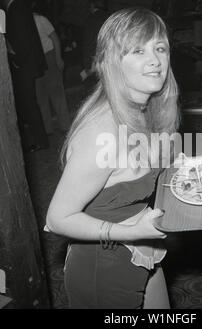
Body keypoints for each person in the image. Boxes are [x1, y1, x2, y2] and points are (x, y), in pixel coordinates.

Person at [46, 7, 180, 309]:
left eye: (160, 48)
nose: (155, 60)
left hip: (141, 249)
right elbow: (57, 218)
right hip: (102, 269)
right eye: (137, 50)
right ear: (112, 62)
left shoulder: (146, 111)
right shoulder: (101, 131)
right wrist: (131, 232)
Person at [3, 0, 49, 152]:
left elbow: (22, 39)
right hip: (27, 63)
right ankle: (40, 139)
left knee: (29, 104)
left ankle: (40, 141)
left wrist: (17, 60)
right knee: (30, 104)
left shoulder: (15, 8)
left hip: (24, 65)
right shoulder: (18, 7)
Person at [32, 1, 71, 135]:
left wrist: (58, 58)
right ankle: (47, 129)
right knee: (41, 96)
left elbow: (55, 38)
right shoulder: (22, 24)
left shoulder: (40, 19)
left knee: (56, 91)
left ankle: (65, 125)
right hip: (36, 61)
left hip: (49, 57)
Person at [81, 0, 108, 95]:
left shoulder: (91, 19)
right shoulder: (108, 17)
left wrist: (88, 64)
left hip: (95, 59)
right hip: (107, 57)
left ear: (92, 5)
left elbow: (89, 42)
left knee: (94, 90)